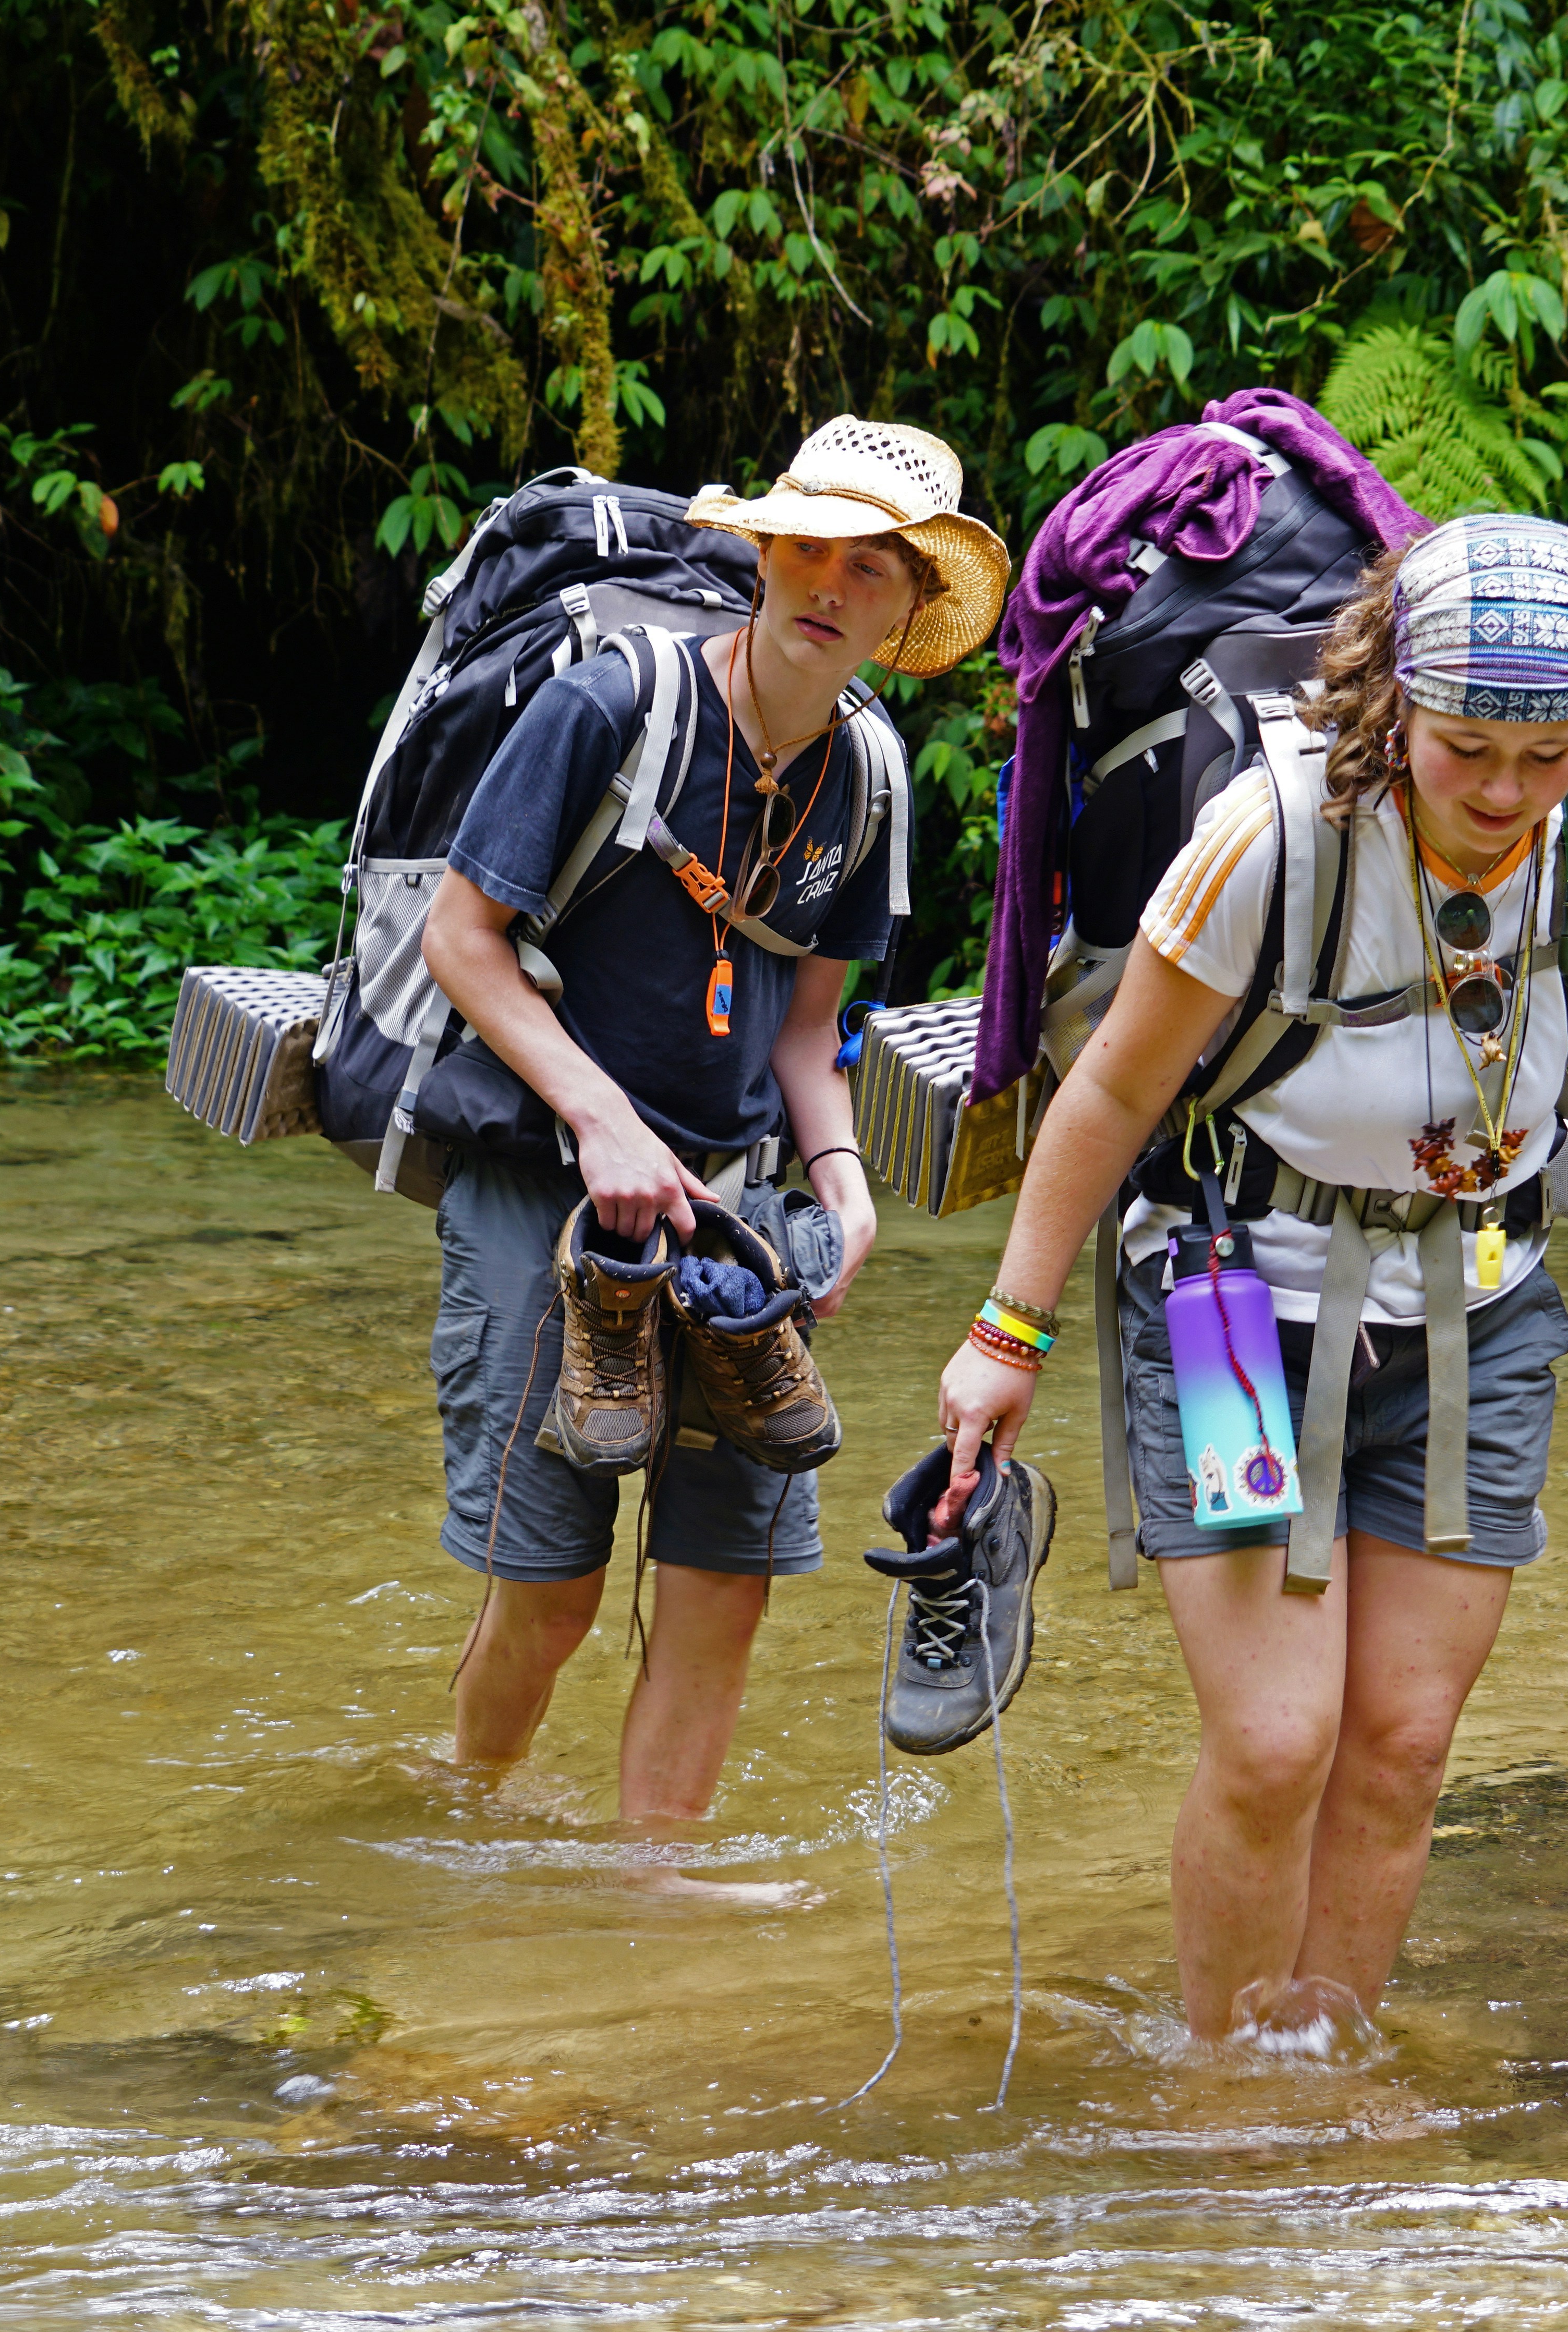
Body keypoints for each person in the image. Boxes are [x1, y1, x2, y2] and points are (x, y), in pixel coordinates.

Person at [930, 512, 1568, 2039]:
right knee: (1277, 1743)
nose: (1502, 796)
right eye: (1466, 750)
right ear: (1393, 699)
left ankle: (1320, 2069)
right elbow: (1111, 1095)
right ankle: (1217, 2085)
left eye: (1546, 759)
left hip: (1483, 1318)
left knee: (1399, 1747)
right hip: (1229, 1315)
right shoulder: (1270, 839)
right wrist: (1006, 1332)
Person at [421, 416, 1008, 1902]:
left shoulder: (870, 780)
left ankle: (647, 1900)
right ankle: (461, 1828)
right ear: (760, 554)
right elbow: (461, 942)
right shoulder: (614, 704)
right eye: (806, 545)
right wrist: (598, 1117)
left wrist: (841, 1179)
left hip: (734, 1215)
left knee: (722, 1590)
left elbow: (810, 1034)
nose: (829, 582)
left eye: (871, 566)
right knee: (548, 1597)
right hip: (546, 1190)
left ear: (903, 608)